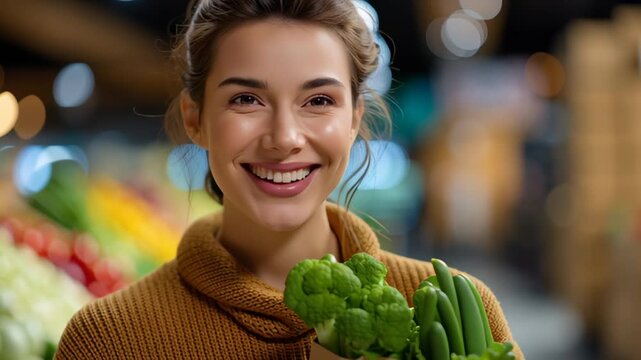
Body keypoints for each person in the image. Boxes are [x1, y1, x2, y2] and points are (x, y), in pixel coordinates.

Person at [55, 0, 524, 358]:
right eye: (246, 100)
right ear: (195, 119)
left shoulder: (459, 314)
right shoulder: (109, 339)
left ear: (355, 119)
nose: (284, 138)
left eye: (318, 100)